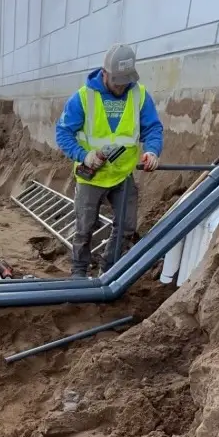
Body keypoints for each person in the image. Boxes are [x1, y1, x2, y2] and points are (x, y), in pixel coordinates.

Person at [55, 43, 164, 278]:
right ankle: (79, 271)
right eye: (117, 81)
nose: (121, 86)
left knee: (126, 226)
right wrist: (84, 155)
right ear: (104, 73)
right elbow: (63, 133)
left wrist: (153, 150)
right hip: (92, 176)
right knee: (84, 228)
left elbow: (153, 128)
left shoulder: (139, 95)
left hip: (122, 174)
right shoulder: (84, 97)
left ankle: (109, 269)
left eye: (125, 81)